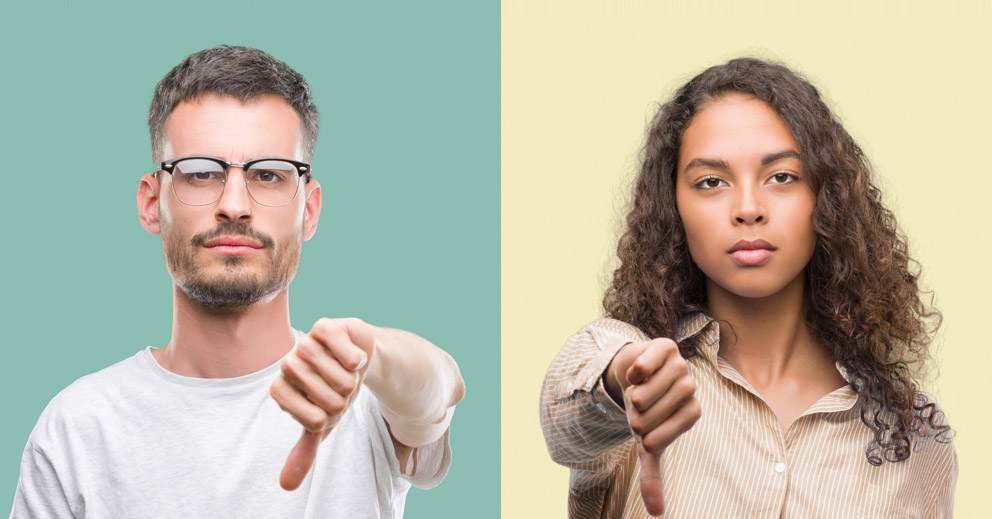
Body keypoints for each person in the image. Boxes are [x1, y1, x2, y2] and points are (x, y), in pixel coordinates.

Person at [11, 45, 465, 519]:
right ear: (151, 203)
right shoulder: (77, 428)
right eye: (200, 173)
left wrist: (371, 351)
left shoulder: (365, 392)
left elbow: (441, 388)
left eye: (269, 174)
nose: (234, 203)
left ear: (308, 211)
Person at [540, 58, 955, 518]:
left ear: (826, 198)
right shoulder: (636, 373)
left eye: (781, 177)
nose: (748, 208)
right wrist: (624, 381)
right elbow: (566, 411)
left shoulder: (916, 435)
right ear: (673, 205)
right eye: (711, 182)